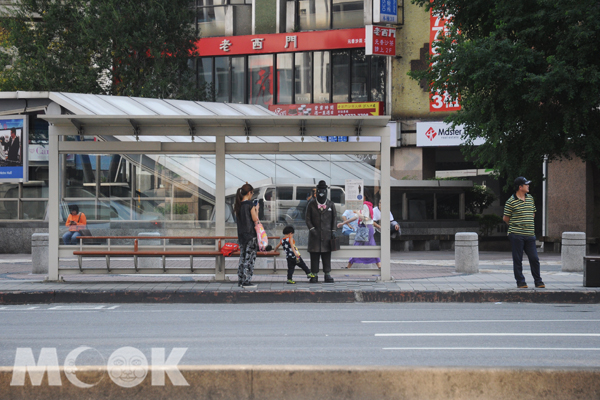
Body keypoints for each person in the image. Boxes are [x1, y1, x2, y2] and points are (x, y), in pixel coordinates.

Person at [503, 177, 545, 289]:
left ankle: (538, 281)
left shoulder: (530, 198)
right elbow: (506, 218)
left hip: (530, 234)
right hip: (516, 235)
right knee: (518, 259)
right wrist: (515, 226)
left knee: (534, 258)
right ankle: (521, 282)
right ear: (520, 187)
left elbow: (533, 213)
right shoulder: (511, 201)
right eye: (526, 184)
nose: (528, 186)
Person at [305, 180, 337, 283]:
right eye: (319, 190)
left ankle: (327, 274)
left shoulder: (331, 205)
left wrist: (333, 230)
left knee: (326, 255)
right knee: (314, 256)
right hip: (314, 236)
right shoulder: (311, 204)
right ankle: (314, 274)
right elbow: (307, 218)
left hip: (327, 236)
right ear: (317, 191)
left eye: (323, 190)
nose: (321, 193)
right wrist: (312, 229)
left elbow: (334, 218)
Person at [338, 194, 381, 269]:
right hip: (367, 228)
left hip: (365, 228)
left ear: (364, 197)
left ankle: (348, 267)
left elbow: (365, 218)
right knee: (371, 247)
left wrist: (357, 212)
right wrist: (343, 223)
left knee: (357, 247)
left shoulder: (365, 205)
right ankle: (379, 266)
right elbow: (356, 217)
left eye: (360, 196)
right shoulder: (366, 205)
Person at [235, 183, 260, 288]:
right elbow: (255, 219)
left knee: (243, 257)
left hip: (241, 236)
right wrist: (256, 209)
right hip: (250, 235)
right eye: (252, 193)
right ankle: (246, 280)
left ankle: (240, 279)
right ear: (249, 192)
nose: (252, 195)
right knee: (249, 258)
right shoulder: (250, 204)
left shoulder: (238, 204)